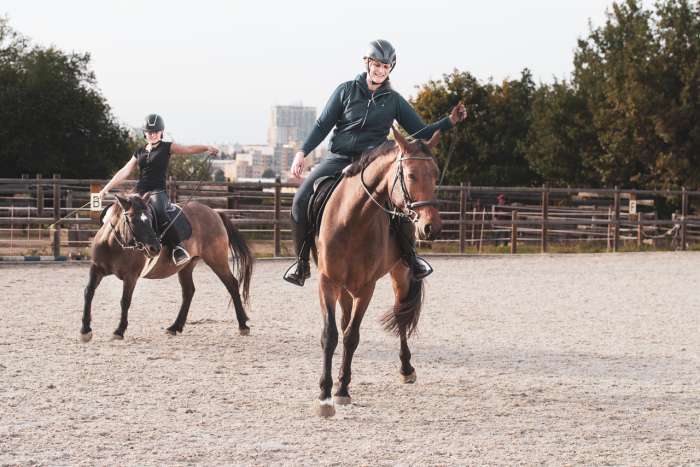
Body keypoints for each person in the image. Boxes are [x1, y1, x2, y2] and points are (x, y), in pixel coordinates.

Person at [283, 39, 467, 286]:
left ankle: (412, 259)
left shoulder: (394, 100)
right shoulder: (345, 90)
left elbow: (421, 132)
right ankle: (302, 263)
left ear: (390, 69)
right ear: (367, 63)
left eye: (386, 66)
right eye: (377, 65)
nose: (381, 70)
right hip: (338, 159)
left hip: (373, 165)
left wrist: (449, 121)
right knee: (300, 200)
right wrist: (302, 153)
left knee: (401, 204)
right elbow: (321, 126)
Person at [99, 114, 219, 266]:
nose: (152, 134)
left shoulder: (167, 147)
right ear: (145, 133)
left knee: (161, 213)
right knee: (115, 211)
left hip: (157, 192)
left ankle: (177, 247)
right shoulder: (139, 152)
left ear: (161, 132)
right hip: (139, 192)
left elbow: (188, 149)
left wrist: (206, 148)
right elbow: (125, 171)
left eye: (155, 131)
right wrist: (106, 188)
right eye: (149, 132)